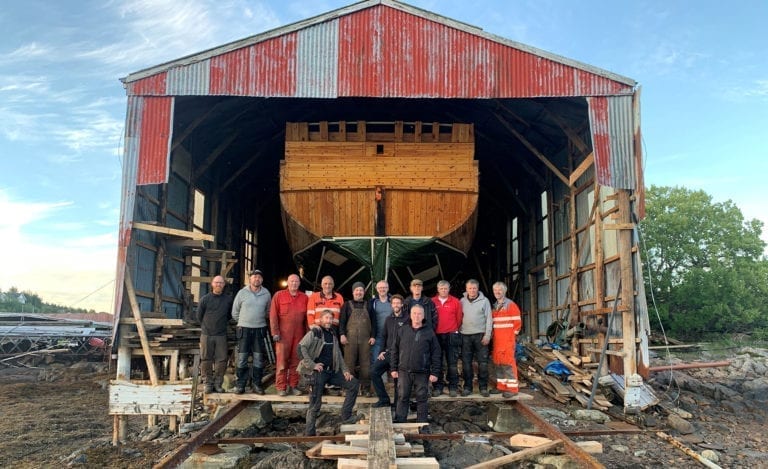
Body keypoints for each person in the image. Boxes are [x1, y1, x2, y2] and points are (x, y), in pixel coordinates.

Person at [298, 309, 360, 436]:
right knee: (315, 404)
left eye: (331, 318)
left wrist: (345, 371)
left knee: (353, 384)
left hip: (331, 372)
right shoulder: (315, 332)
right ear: (321, 320)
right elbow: (300, 347)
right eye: (326, 318)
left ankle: (346, 416)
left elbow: (338, 354)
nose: (329, 321)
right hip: (317, 373)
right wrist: (312, 365)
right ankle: (309, 434)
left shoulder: (332, 333)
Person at [391, 304, 441, 424]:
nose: (417, 316)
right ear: (410, 315)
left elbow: (436, 353)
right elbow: (395, 350)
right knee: (402, 397)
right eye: (414, 313)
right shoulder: (402, 330)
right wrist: (393, 368)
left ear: (423, 316)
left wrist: (435, 372)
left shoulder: (429, 332)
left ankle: (422, 426)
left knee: (422, 399)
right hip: (404, 371)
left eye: (419, 314)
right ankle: (400, 423)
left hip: (422, 372)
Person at [231, 269, 271, 394]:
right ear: (250, 279)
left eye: (259, 277)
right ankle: (240, 385)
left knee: (258, 358)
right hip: (244, 329)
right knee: (242, 358)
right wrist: (243, 321)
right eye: (254, 277)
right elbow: (235, 312)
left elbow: (268, 312)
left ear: (262, 280)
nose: (256, 279)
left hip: (259, 329)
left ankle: (257, 384)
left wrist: (257, 321)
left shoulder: (266, 293)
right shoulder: (242, 293)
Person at [269, 274, 309, 396]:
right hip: (283, 335)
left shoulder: (304, 297)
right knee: (282, 362)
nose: (294, 284)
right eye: (292, 281)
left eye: (296, 281)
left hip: (299, 334)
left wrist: (308, 335)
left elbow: (307, 318)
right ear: (287, 282)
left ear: (299, 283)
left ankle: (293, 386)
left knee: (296, 361)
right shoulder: (279, 295)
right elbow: (273, 315)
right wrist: (275, 332)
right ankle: (281, 387)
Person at [339, 282, 377, 397]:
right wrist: (342, 334)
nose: (359, 292)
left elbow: (374, 323)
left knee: (366, 364)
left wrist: (373, 336)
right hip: (349, 339)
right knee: (348, 363)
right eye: (357, 290)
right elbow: (342, 321)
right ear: (353, 292)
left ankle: (365, 388)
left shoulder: (369, 305)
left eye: (361, 290)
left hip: (366, 339)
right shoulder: (346, 305)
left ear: (364, 292)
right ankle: (348, 388)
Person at [196, 275, 233, 394]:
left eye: (221, 283)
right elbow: (199, 316)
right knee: (206, 359)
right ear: (212, 284)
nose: (219, 285)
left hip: (221, 334)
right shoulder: (205, 299)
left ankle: (218, 384)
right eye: (216, 282)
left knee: (222, 360)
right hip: (207, 334)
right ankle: (208, 383)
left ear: (224, 285)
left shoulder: (228, 299)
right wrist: (207, 326)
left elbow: (229, 316)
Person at [371, 294, 407, 407]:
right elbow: (384, 336)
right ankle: (384, 399)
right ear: (391, 305)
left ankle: (398, 404)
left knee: (398, 380)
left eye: (398, 303)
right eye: (394, 303)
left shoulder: (407, 319)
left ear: (401, 304)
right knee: (373, 372)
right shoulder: (388, 319)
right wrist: (382, 351)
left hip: (401, 355)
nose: (396, 305)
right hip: (389, 353)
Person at [460, 279, 493, 397]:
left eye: (474, 288)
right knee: (466, 363)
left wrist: (488, 334)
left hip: (480, 335)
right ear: (466, 289)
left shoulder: (485, 301)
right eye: (470, 288)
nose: (472, 290)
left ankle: (483, 387)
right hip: (465, 335)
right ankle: (467, 387)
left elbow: (489, 318)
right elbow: (458, 317)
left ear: (477, 288)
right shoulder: (462, 301)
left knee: (483, 363)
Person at [431, 280, 463, 397]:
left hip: (451, 334)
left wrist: (453, 329)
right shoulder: (432, 301)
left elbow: (459, 319)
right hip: (436, 335)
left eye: (446, 288)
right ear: (438, 289)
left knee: (452, 363)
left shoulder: (455, 301)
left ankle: (453, 387)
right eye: (441, 288)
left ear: (449, 289)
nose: (444, 290)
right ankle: (438, 387)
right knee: (437, 362)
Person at [491, 281, 523, 397]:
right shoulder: (495, 306)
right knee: (498, 363)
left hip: (507, 340)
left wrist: (512, 337)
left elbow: (517, 323)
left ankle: (512, 389)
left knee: (508, 364)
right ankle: (501, 386)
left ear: (504, 291)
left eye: (499, 290)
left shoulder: (511, 305)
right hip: (498, 340)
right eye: (495, 290)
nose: (497, 292)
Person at [369, 280, 392, 368]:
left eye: (384, 287)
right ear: (377, 289)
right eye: (380, 288)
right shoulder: (372, 302)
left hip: (391, 335)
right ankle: (380, 380)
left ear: (388, 288)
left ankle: (394, 380)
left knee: (393, 358)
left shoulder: (393, 301)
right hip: (378, 335)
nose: (382, 289)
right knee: (376, 358)